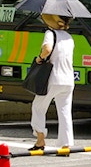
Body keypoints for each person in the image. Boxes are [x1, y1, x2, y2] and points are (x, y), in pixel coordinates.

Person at [30, 13, 77, 151]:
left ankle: (40, 140)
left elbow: (47, 49)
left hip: (53, 78)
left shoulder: (50, 33)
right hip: (68, 79)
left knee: (38, 107)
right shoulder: (69, 37)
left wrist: (40, 58)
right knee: (65, 111)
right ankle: (65, 145)